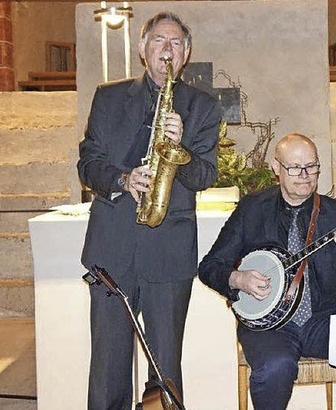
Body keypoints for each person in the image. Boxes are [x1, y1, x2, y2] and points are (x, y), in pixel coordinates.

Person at [77, 12, 221, 409]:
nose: (167, 50)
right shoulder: (108, 97)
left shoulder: (203, 107)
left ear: (187, 53)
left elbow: (205, 175)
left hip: (168, 253)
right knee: (108, 372)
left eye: (176, 43)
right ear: (142, 49)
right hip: (112, 250)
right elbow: (88, 164)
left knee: (165, 371)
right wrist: (123, 180)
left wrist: (184, 151)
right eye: (159, 41)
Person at [198, 133, 336, 409]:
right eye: (295, 168)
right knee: (275, 367)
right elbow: (209, 266)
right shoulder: (251, 210)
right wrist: (238, 279)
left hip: (322, 318)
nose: (305, 175)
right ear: (276, 167)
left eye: (312, 166)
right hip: (268, 326)